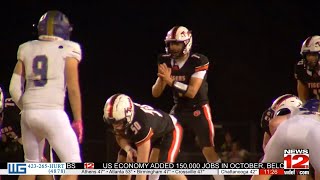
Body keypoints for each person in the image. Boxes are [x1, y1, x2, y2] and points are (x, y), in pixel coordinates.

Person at [9, 10, 83, 180]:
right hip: (52, 112)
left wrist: (28, 108)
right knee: (73, 163)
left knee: (30, 164)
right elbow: (73, 87)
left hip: (28, 114)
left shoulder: (27, 48)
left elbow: (14, 88)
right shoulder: (69, 48)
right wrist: (78, 120)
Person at [152, 26, 224, 180]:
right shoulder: (165, 60)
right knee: (160, 148)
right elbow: (156, 93)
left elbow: (192, 92)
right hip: (178, 109)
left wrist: (170, 80)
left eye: (177, 43)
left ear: (186, 43)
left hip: (198, 108)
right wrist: (162, 78)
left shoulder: (198, 61)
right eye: (170, 43)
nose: (173, 47)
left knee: (208, 150)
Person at [103, 93, 186, 180]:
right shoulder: (123, 115)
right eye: (113, 123)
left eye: (119, 122)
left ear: (129, 115)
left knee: (167, 167)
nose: (116, 126)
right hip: (151, 131)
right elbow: (119, 136)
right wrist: (128, 149)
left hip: (169, 130)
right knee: (123, 161)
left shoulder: (141, 124)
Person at [252, 99, 320, 180]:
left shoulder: (297, 112)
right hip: (311, 133)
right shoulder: (313, 118)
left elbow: (274, 124)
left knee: (264, 171)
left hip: (283, 132)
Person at [295, 35, 320, 103]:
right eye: (308, 55)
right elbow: (303, 100)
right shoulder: (301, 69)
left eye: (314, 55)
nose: (310, 58)